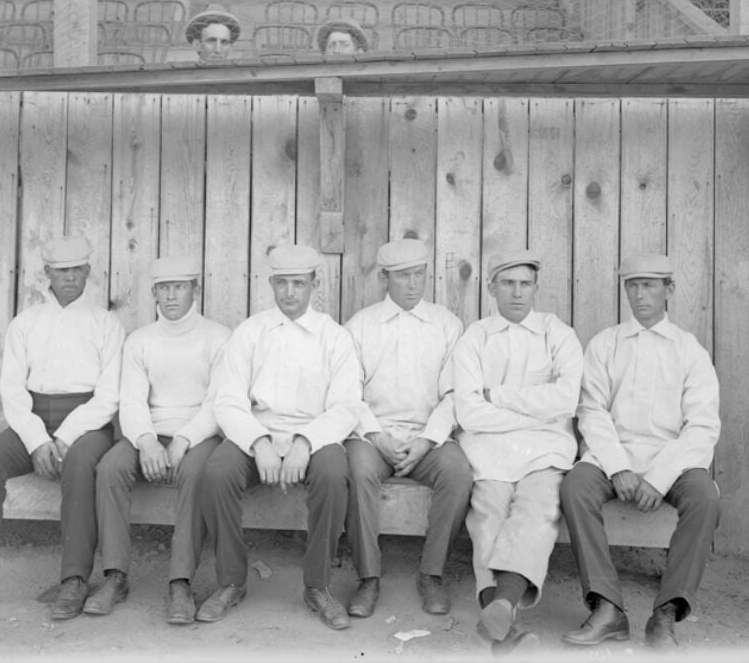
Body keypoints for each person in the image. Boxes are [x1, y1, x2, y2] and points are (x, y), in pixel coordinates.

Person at [0, 235, 124, 622]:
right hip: (34, 422)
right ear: (48, 275)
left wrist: (64, 437)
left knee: (77, 464)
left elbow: (109, 396)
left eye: (77, 269)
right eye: (61, 271)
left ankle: (73, 578)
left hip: (87, 424)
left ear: (88, 272)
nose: (70, 278)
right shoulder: (25, 323)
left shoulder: (106, 323)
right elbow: (12, 388)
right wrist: (39, 440)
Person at [197, 244, 363, 630]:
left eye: (299, 283)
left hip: (316, 435)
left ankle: (318, 585)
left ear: (314, 284)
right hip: (257, 433)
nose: (290, 292)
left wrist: (306, 442)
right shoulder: (250, 332)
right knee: (217, 473)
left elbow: (345, 406)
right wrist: (259, 443)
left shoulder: (333, 336)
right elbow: (228, 401)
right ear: (270, 283)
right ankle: (231, 580)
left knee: (334, 475)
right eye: (282, 283)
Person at [560, 253, 721, 650]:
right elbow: (591, 410)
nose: (640, 294)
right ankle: (607, 607)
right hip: (615, 454)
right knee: (575, 486)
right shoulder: (606, 344)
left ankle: (666, 613)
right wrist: (616, 466)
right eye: (632, 285)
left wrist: (660, 476)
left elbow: (701, 425)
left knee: (705, 496)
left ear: (670, 289)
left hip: (672, 459)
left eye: (649, 285)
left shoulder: (689, 350)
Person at [452, 250, 583, 655]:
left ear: (536, 288)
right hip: (487, 449)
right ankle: (502, 616)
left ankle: (499, 607)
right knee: (489, 511)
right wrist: (533, 413)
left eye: (525, 284)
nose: (517, 292)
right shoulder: (475, 337)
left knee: (537, 508)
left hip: (544, 451)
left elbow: (566, 398)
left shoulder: (557, 333)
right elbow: (469, 411)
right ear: (491, 288)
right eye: (508, 283)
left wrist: (502, 398)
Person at [87, 256, 231, 623]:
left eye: (180, 287)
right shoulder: (140, 341)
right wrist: (147, 441)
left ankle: (179, 583)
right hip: (150, 432)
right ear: (154, 292)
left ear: (195, 290)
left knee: (195, 474)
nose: (171, 296)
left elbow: (218, 403)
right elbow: (132, 400)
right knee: (109, 468)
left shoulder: (218, 337)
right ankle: (115, 576)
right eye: (164, 288)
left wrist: (183, 440)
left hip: (199, 435)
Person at [342, 239, 472, 619]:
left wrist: (427, 440)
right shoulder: (361, 326)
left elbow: (454, 394)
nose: (413, 284)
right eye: (403, 277)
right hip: (373, 434)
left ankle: (431, 574)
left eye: (420, 275)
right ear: (385, 278)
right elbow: (348, 393)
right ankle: (368, 576)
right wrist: (377, 437)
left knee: (458, 472)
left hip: (427, 436)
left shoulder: (447, 325)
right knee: (358, 470)